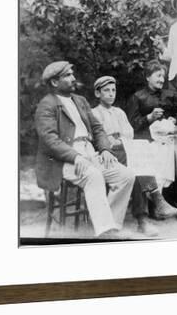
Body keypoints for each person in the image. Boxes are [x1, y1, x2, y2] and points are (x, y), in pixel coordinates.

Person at [34, 61, 135, 239]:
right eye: (67, 75)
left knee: (126, 176)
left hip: (90, 152)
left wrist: (105, 149)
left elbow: (97, 128)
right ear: (55, 82)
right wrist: (75, 156)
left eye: (72, 74)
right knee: (94, 176)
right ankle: (105, 231)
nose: (73, 78)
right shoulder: (46, 105)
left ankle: (110, 224)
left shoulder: (80, 101)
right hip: (63, 159)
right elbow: (50, 140)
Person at [92, 76, 177, 236]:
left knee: (136, 163)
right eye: (106, 91)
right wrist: (115, 139)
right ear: (98, 94)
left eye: (113, 90)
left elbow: (129, 133)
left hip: (123, 152)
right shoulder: (94, 113)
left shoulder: (119, 113)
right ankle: (151, 205)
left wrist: (118, 138)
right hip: (105, 156)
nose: (111, 94)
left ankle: (145, 216)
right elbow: (99, 138)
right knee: (137, 161)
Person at [126, 59, 177, 140]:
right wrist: (149, 117)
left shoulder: (171, 95)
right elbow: (131, 125)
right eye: (158, 76)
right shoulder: (137, 97)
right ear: (148, 77)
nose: (162, 80)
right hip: (147, 140)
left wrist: (175, 119)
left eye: (163, 76)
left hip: (170, 138)